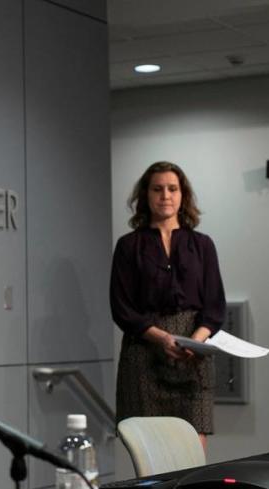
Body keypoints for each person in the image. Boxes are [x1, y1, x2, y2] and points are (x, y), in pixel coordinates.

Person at [110, 161, 226, 453]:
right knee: (151, 454)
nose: (165, 195)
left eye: (172, 189)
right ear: (145, 196)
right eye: (157, 189)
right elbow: (122, 307)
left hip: (192, 357)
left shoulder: (203, 245)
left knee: (192, 452)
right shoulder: (128, 246)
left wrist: (195, 342)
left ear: (182, 195)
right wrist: (162, 338)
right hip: (145, 354)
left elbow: (214, 306)